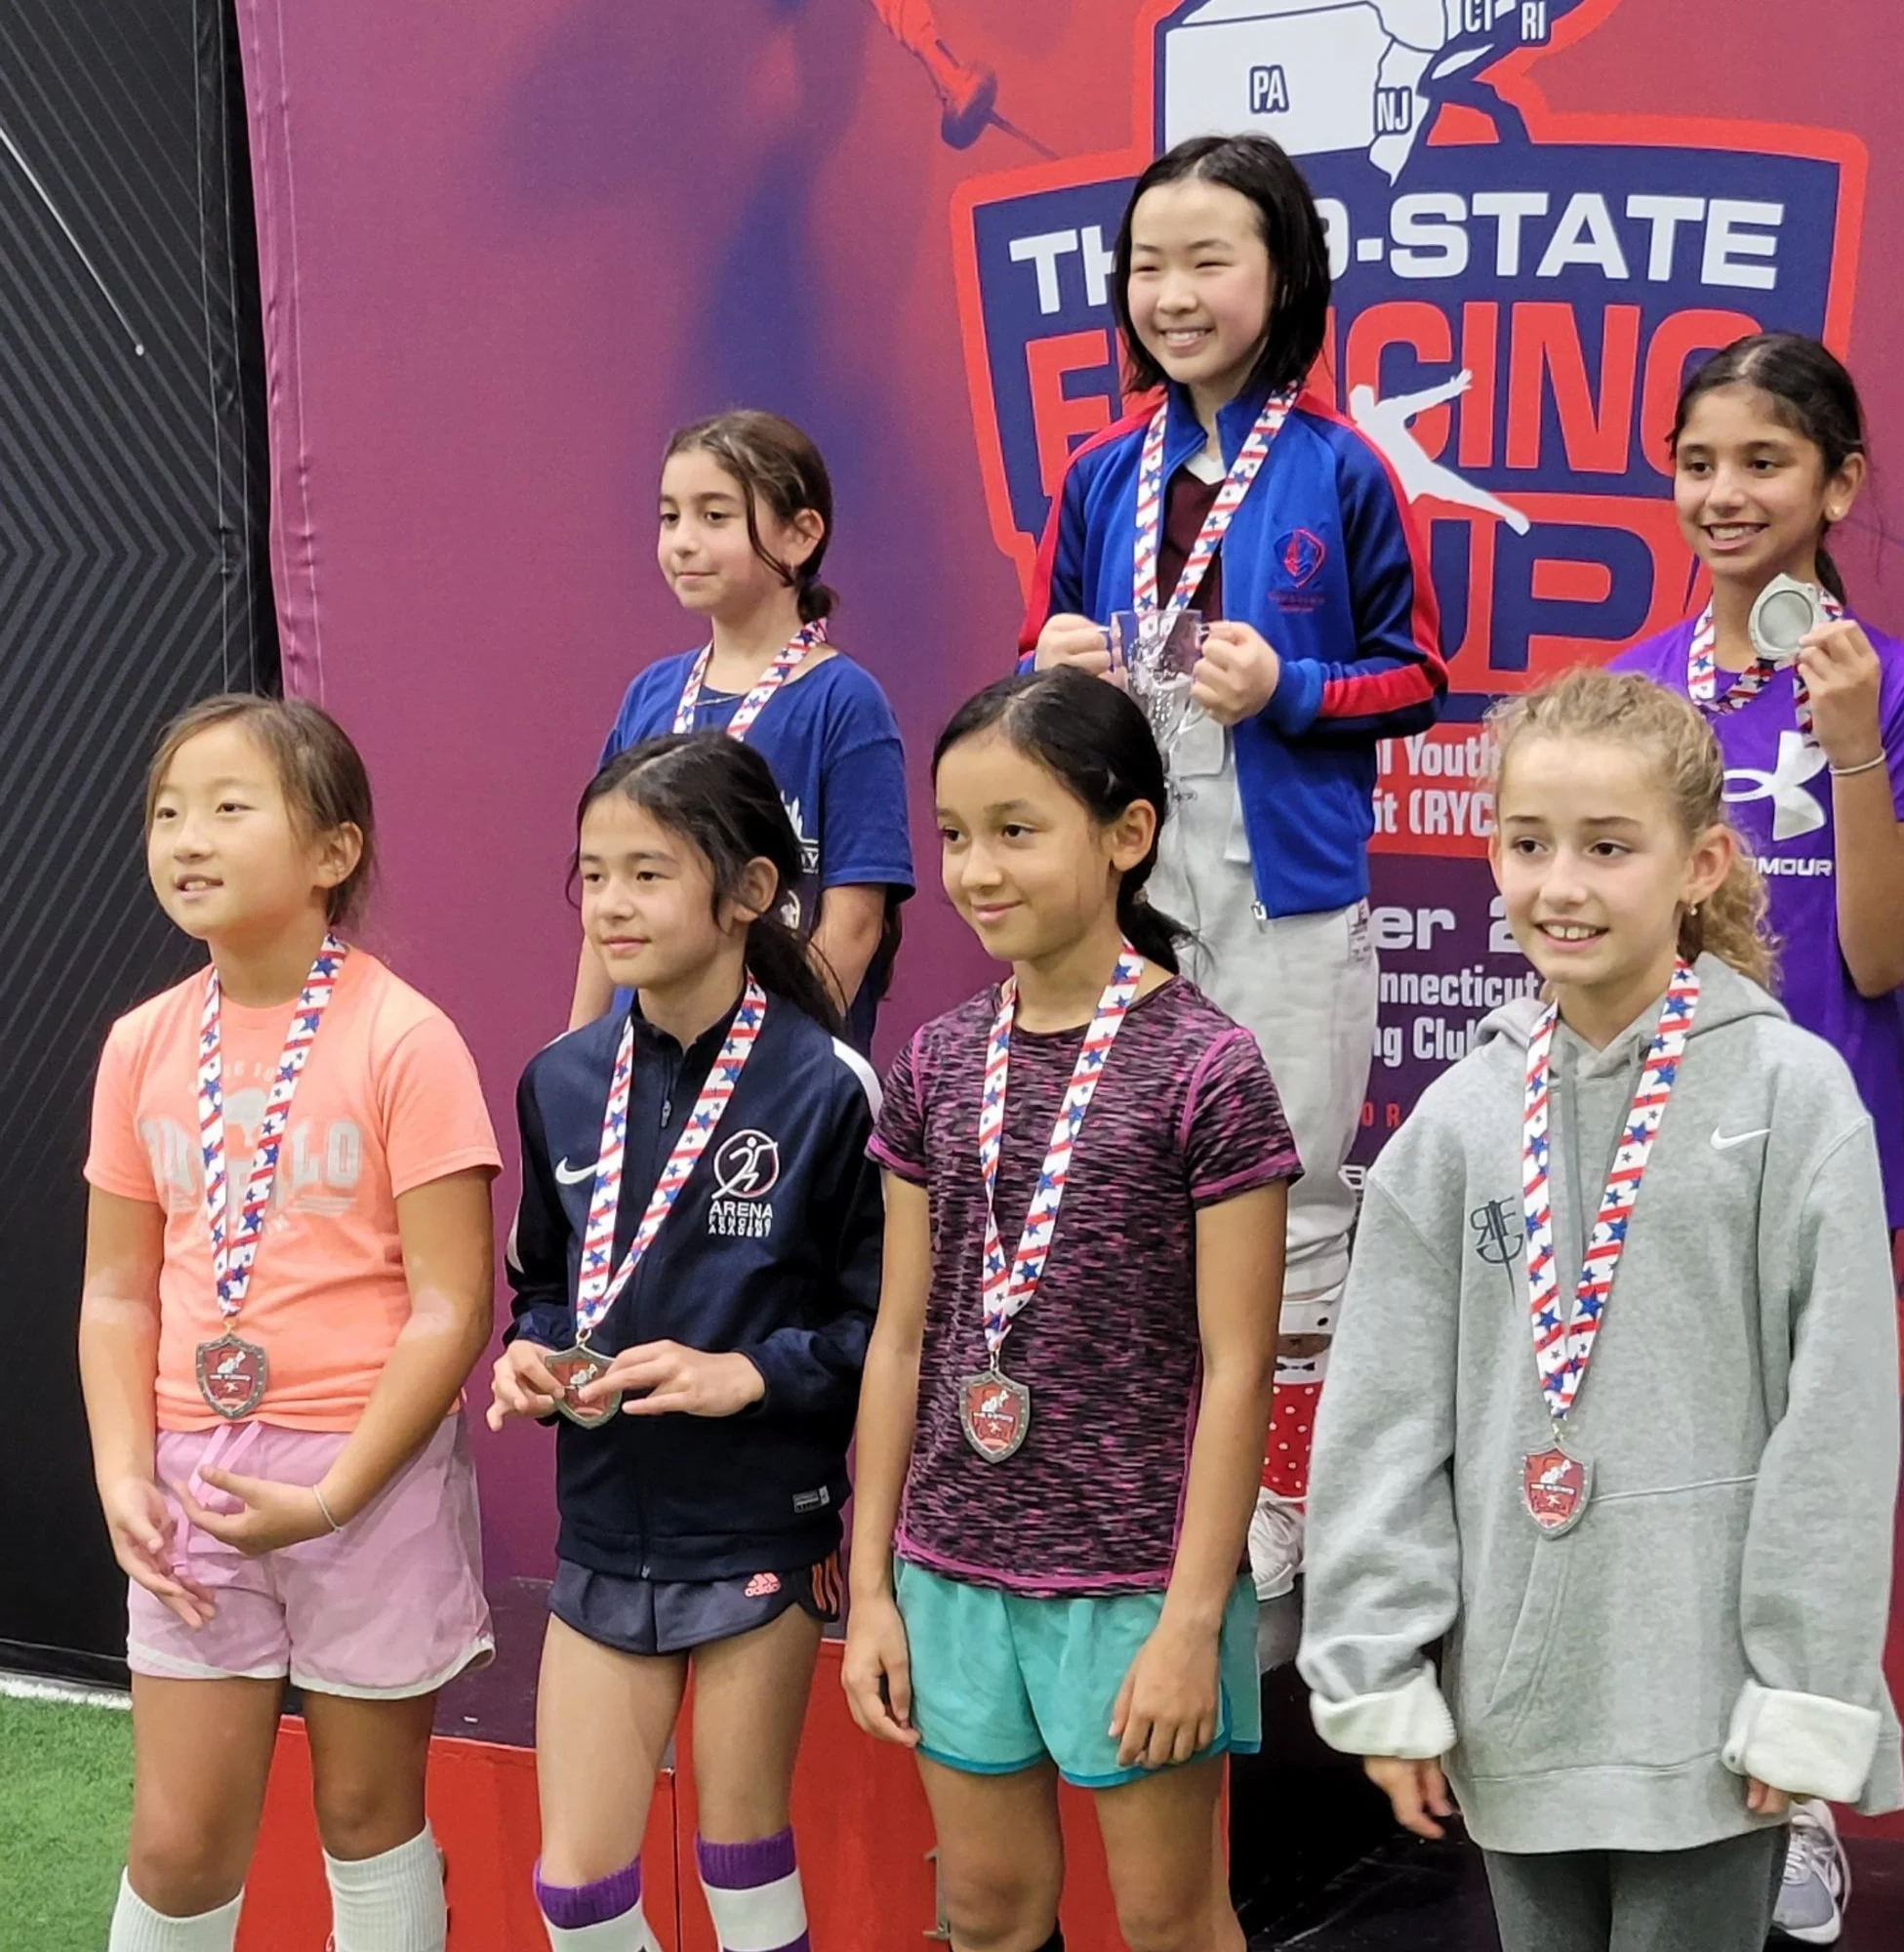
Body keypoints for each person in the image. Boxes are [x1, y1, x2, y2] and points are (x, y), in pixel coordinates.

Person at [1299, 668, 1904, 1952]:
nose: (1560, 884)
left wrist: (1802, 1685)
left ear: (1701, 864)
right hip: (1517, 1713)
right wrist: (1380, 1660)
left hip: (1708, 1717)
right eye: (1529, 844)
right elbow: (1385, 1416)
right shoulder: (1460, 1119)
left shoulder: (1790, 1098)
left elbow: (1837, 1427)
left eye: (1608, 847)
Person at [1023, 132, 1445, 1597]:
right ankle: (1151, 1468)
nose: (1175, 294)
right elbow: (1043, 668)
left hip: (1284, 878)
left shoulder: (1340, 467)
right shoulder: (1101, 473)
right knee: (1128, 1181)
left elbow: (1418, 674)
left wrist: (1293, 689)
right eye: (1149, 264)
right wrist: (1049, 663)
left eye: (1210, 260)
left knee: (1295, 1191)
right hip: (1128, 876)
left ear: (1285, 275)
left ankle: (1285, 1498)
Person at [842, 668, 1299, 1952]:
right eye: (954, 835)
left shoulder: (1207, 1069)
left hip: (1136, 1581)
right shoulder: (937, 1061)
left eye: (1017, 829)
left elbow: (1238, 1367)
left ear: (1127, 833)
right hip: (950, 1570)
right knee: (985, 1910)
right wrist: (873, 1586)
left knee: (1167, 1919)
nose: (977, 869)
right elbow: (901, 1338)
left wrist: (1192, 1621)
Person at [1608, 330, 1904, 1939]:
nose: (1725, 493)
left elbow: (1878, 955)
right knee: (1673, 1479)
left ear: (1838, 486)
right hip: (1664, 1143)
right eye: (1698, 463)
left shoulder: (1893, 682)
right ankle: (1680, 1783)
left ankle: (1803, 1806)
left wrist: (1855, 736)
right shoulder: (1633, 689)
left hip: (1826, 1147)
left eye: (1764, 462)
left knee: (1806, 1487)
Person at [81, 696, 501, 1952]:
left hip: (366, 1477)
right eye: (167, 811)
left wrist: (330, 1496)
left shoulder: (406, 1036)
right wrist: (122, 1467)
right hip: (193, 1483)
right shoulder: (139, 1044)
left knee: (367, 1815)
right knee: (177, 1840)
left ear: (332, 850)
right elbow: (116, 1289)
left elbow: (452, 1304)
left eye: (228, 806)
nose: (186, 837)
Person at [495, 734, 883, 1952]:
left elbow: (885, 1333)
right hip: (604, 1523)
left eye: (648, 873)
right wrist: (532, 1353)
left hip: (758, 1523)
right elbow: (543, 1283)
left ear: (750, 889)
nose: (610, 902)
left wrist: (749, 1372)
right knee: (577, 1892)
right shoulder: (560, 1079)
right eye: (593, 873)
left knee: (739, 1861)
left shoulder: (829, 1086)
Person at [575, 408, 914, 1051]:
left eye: (714, 515)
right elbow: (605, 904)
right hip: (641, 1066)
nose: (683, 541)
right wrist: (579, 1057)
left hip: (776, 1072)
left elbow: (853, 922)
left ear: (800, 535)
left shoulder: (844, 701)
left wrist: (774, 1068)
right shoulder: (650, 696)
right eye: (669, 517)